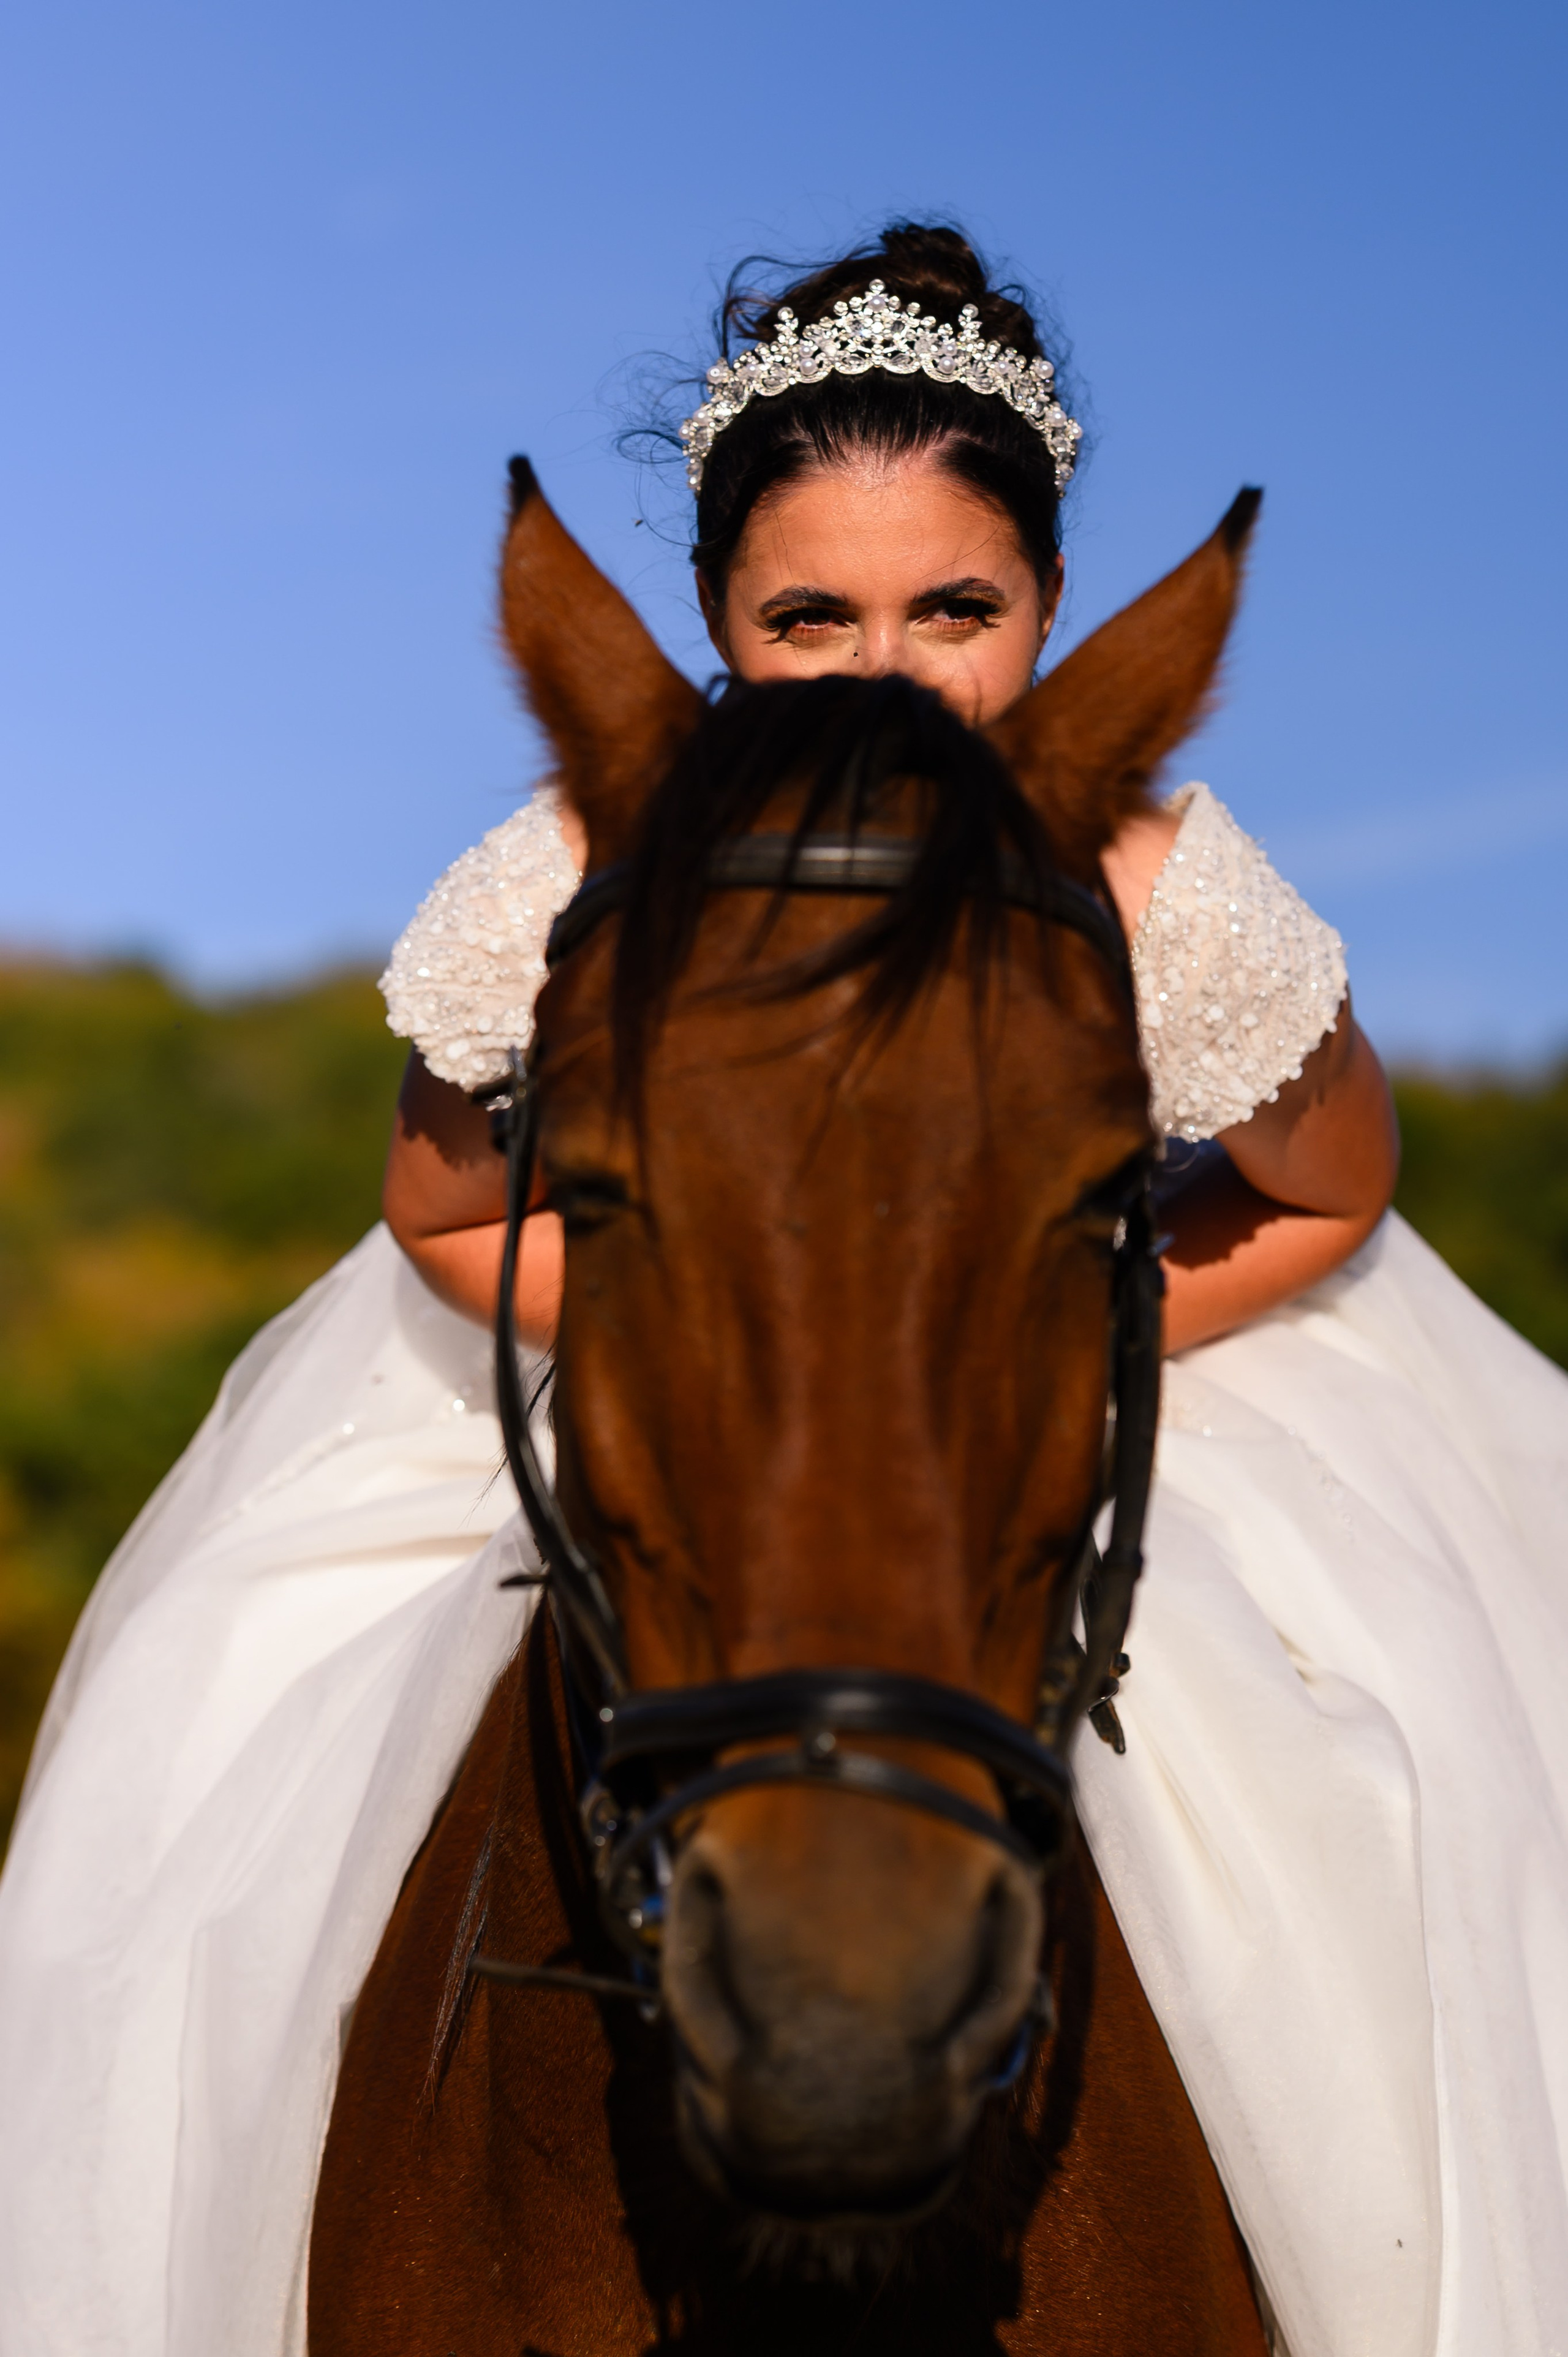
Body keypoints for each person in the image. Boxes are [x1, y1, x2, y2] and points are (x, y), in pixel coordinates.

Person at [0, 222, 1564, 2357]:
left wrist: (1054, 1354)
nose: (882, 670)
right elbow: (450, 1218)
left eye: (957, 613)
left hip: (1055, 1374)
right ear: (717, 624)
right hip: (667, 1365)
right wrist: (711, 1344)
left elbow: (1330, 1185)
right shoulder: (588, 852)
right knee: (200, 1800)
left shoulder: (1142, 879)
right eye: (806, 615)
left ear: (1051, 612)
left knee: (1364, 1801)